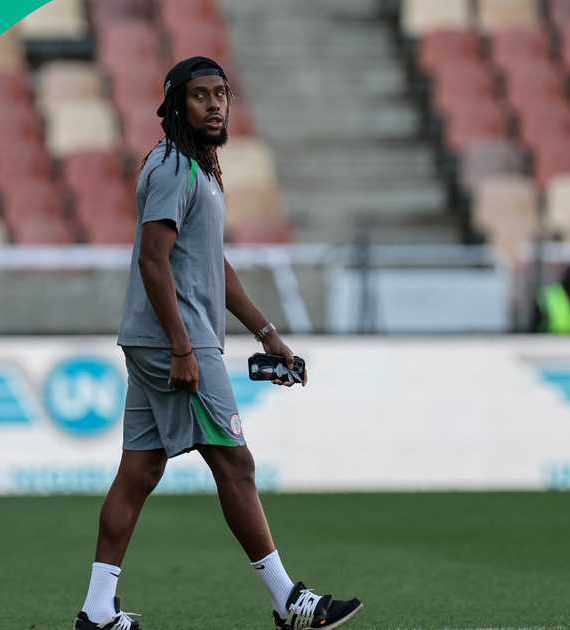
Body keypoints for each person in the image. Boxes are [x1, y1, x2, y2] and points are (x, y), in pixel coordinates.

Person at [73, 57, 363, 630]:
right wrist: (182, 348)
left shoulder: (199, 169)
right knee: (235, 463)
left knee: (140, 470)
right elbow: (153, 263)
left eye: (221, 95)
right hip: (176, 342)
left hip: (169, 338)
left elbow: (212, 265)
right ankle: (289, 602)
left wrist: (267, 333)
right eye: (201, 96)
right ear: (176, 104)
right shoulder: (173, 168)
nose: (214, 105)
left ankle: (97, 609)